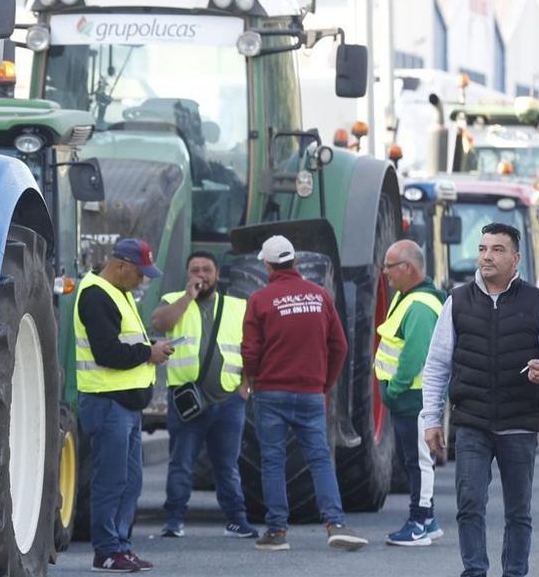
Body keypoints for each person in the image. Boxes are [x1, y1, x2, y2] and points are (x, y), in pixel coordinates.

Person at [421, 221, 539, 577]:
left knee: (518, 511)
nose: (487, 256)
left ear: (515, 258)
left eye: (497, 250)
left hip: (519, 422)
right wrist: (431, 420)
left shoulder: (536, 301)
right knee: (470, 504)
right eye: (483, 248)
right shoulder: (458, 300)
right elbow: (436, 365)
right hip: (471, 421)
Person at [240, 234, 365, 553]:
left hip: (270, 392)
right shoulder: (320, 296)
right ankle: (335, 523)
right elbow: (340, 346)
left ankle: (276, 531)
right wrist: (323, 383)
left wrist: (251, 379)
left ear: (267, 266)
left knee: (272, 461)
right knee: (320, 459)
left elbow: (251, 350)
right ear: (295, 262)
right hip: (310, 392)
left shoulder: (260, 300)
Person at [75, 238, 176, 572]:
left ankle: (121, 546)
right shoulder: (95, 294)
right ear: (121, 266)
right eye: (140, 274)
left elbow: (126, 342)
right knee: (111, 480)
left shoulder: (120, 293)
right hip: (107, 403)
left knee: (130, 480)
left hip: (126, 405)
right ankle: (106, 550)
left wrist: (150, 348)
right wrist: (149, 353)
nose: (143, 281)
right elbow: (107, 353)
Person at [150, 251, 253, 539]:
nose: (201, 275)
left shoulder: (236, 306)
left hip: (228, 400)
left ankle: (236, 519)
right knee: (181, 462)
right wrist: (187, 298)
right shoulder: (175, 301)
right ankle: (174, 519)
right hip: (187, 400)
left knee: (227, 464)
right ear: (187, 274)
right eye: (195, 270)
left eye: (206, 270)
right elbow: (159, 323)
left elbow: (250, 347)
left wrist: (246, 385)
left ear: (217, 274)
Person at [376, 240, 447, 546]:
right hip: (410, 397)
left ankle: (417, 524)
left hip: (413, 397)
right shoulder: (409, 297)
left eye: (389, 266)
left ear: (407, 268)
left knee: (418, 462)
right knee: (414, 461)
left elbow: (414, 354)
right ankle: (428, 521)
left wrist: (394, 389)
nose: (385, 273)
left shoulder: (418, 305)